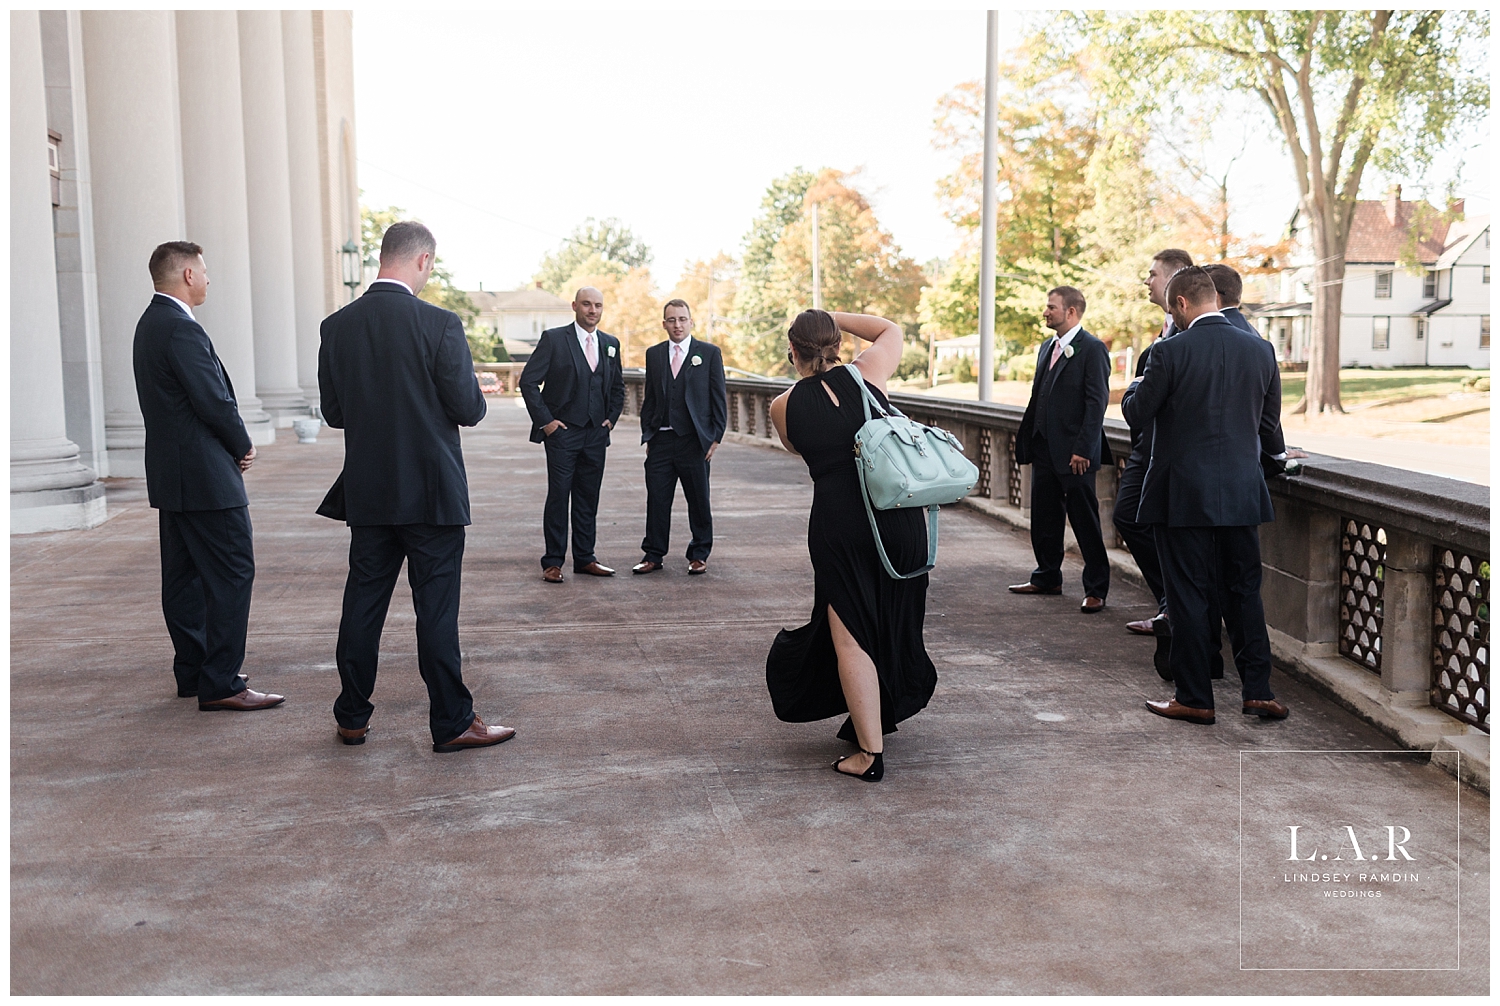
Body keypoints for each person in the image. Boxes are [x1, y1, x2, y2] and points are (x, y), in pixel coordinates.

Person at [318, 221, 513, 753]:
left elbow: (334, 413)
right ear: (423, 261)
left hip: (369, 493)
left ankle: (352, 717)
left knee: (361, 608)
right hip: (432, 495)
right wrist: (468, 388)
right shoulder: (440, 325)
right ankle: (451, 722)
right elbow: (469, 410)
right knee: (436, 613)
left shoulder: (335, 326)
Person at [765, 310, 937, 782]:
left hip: (841, 525)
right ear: (838, 342)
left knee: (851, 635)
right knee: (893, 614)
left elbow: (799, 449)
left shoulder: (782, 406)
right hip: (898, 517)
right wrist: (831, 312)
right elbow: (892, 329)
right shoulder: (869, 375)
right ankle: (883, 710)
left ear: (792, 351)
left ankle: (869, 753)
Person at [1122, 266, 1289, 726]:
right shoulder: (1261, 349)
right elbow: (1268, 427)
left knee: (1188, 596)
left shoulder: (1168, 350)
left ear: (1179, 305)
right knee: (1245, 594)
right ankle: (1259, 691)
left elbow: (1138, 413)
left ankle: (1194, 697)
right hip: (1240, 490)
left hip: (1180, 495)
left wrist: (1137, 382)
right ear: (1215, 299)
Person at [133, 241, 284, 712]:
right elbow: (213, 400)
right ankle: (221, 682)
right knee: (233, 573)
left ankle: (194, 672)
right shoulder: (180, 329)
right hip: (204, 475)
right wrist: (242, 444)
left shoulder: (149, 324)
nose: (209, 278)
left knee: (183, 579)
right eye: (204, 271)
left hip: (172, 475)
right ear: (187, 276)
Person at [1008, 286, 1113, 612]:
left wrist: (1083, 448)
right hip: (1044, 449)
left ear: (1071, 311)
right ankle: (1047, 576)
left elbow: (1097, 402)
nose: (1045, 312)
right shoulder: (1046, 347)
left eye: (1051, 307)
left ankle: (1096, 588)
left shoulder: (1092, 348)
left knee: (1084, 522)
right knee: (1044, 517)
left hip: (1075, 455)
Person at [1116, 249, 1192, 665]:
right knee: (1127, 515)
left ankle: (1174, 611)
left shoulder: (1189, 333)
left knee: (1154, 524)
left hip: (1171, 451)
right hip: (1147, 445)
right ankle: (1168, 602)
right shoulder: (1165, 331)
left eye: (1152, 274)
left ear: (1176, 279)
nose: (1146, 281)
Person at [519, 287, 626, 583]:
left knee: (588, 497)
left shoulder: (611, 343)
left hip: (595, 434)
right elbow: (528, 382)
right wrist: (547, 422)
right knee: (559, 496)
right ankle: (553, 561)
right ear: (575, 306)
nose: (593, 310)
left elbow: (618, 387)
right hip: (562, 433)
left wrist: (611, 420)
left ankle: (585, 558)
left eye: (598, 305)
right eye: (587, 304)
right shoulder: (554, 339)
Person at [633, 299, 727, 575]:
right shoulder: (654, 354)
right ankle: (653, 555)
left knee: (699, 499)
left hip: (694, 441)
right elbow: (649, 397)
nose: (677, 324)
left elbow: (718, 397)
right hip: (661, 440)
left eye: (682, 319)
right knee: (657, 499)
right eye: (672, 320)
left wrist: (715, 437)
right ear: (664, 324)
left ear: (691, 321)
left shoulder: (708, 353)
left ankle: (699, 553)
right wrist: (648, 435)